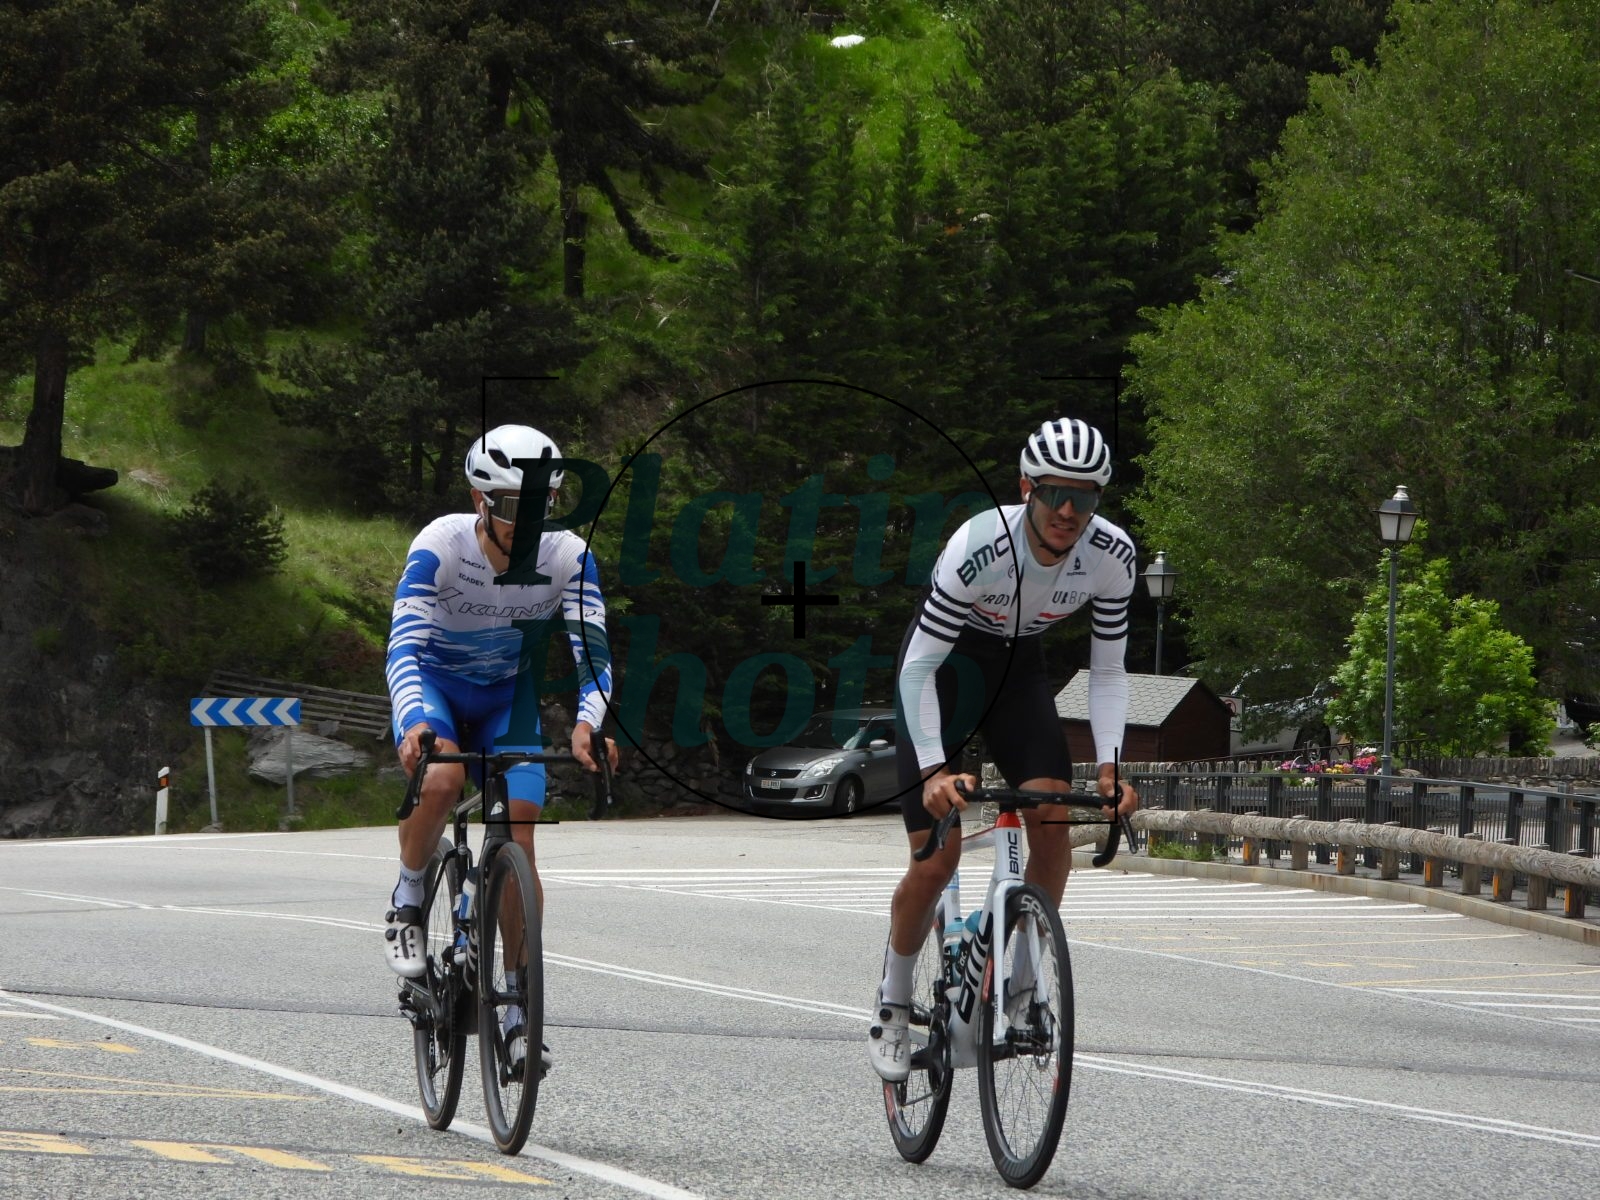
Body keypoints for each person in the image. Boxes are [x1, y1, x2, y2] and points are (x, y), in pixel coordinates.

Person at [868, 417, 1141, 1081]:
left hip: (1019, 672)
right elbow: (917, 669)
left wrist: (1111, 768)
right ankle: (893, 1003)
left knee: (1052, 819)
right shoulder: (979, 544)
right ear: (1027, 489)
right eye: (1055, 494)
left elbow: (1108, 672)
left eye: (1085, 497)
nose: (1069, 512)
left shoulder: (1113, 556)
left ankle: (1022, 988)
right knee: (936, 860)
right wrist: (934, 770)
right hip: (944, 672)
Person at [384, 424, 618, 1076]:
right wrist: (412, 722)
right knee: (442, 782)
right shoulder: (440, 545)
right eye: (515, 507)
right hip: (438, 687)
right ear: (479, 501)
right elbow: (403, 647)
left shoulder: (569, 556)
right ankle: (408, 896)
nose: (531, 522)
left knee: (521, 827)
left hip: (506, 698)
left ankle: (516, 1008)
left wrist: (589, 723)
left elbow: (594, 654)